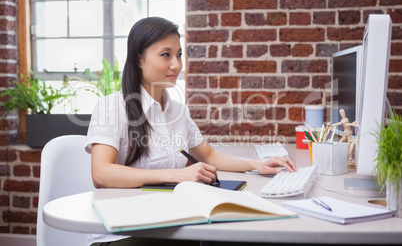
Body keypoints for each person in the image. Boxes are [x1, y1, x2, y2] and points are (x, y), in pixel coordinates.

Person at [85, 17, 297, 246]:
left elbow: (209, 155)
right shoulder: (112, 107)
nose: (176, 64)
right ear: (139, 59)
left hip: (169, 221)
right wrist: (177, 175)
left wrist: (256, 165)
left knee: (241, 231)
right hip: (125, 232)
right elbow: (101, 173)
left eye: (178, 54)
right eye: (165, 54)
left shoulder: (178, 111)